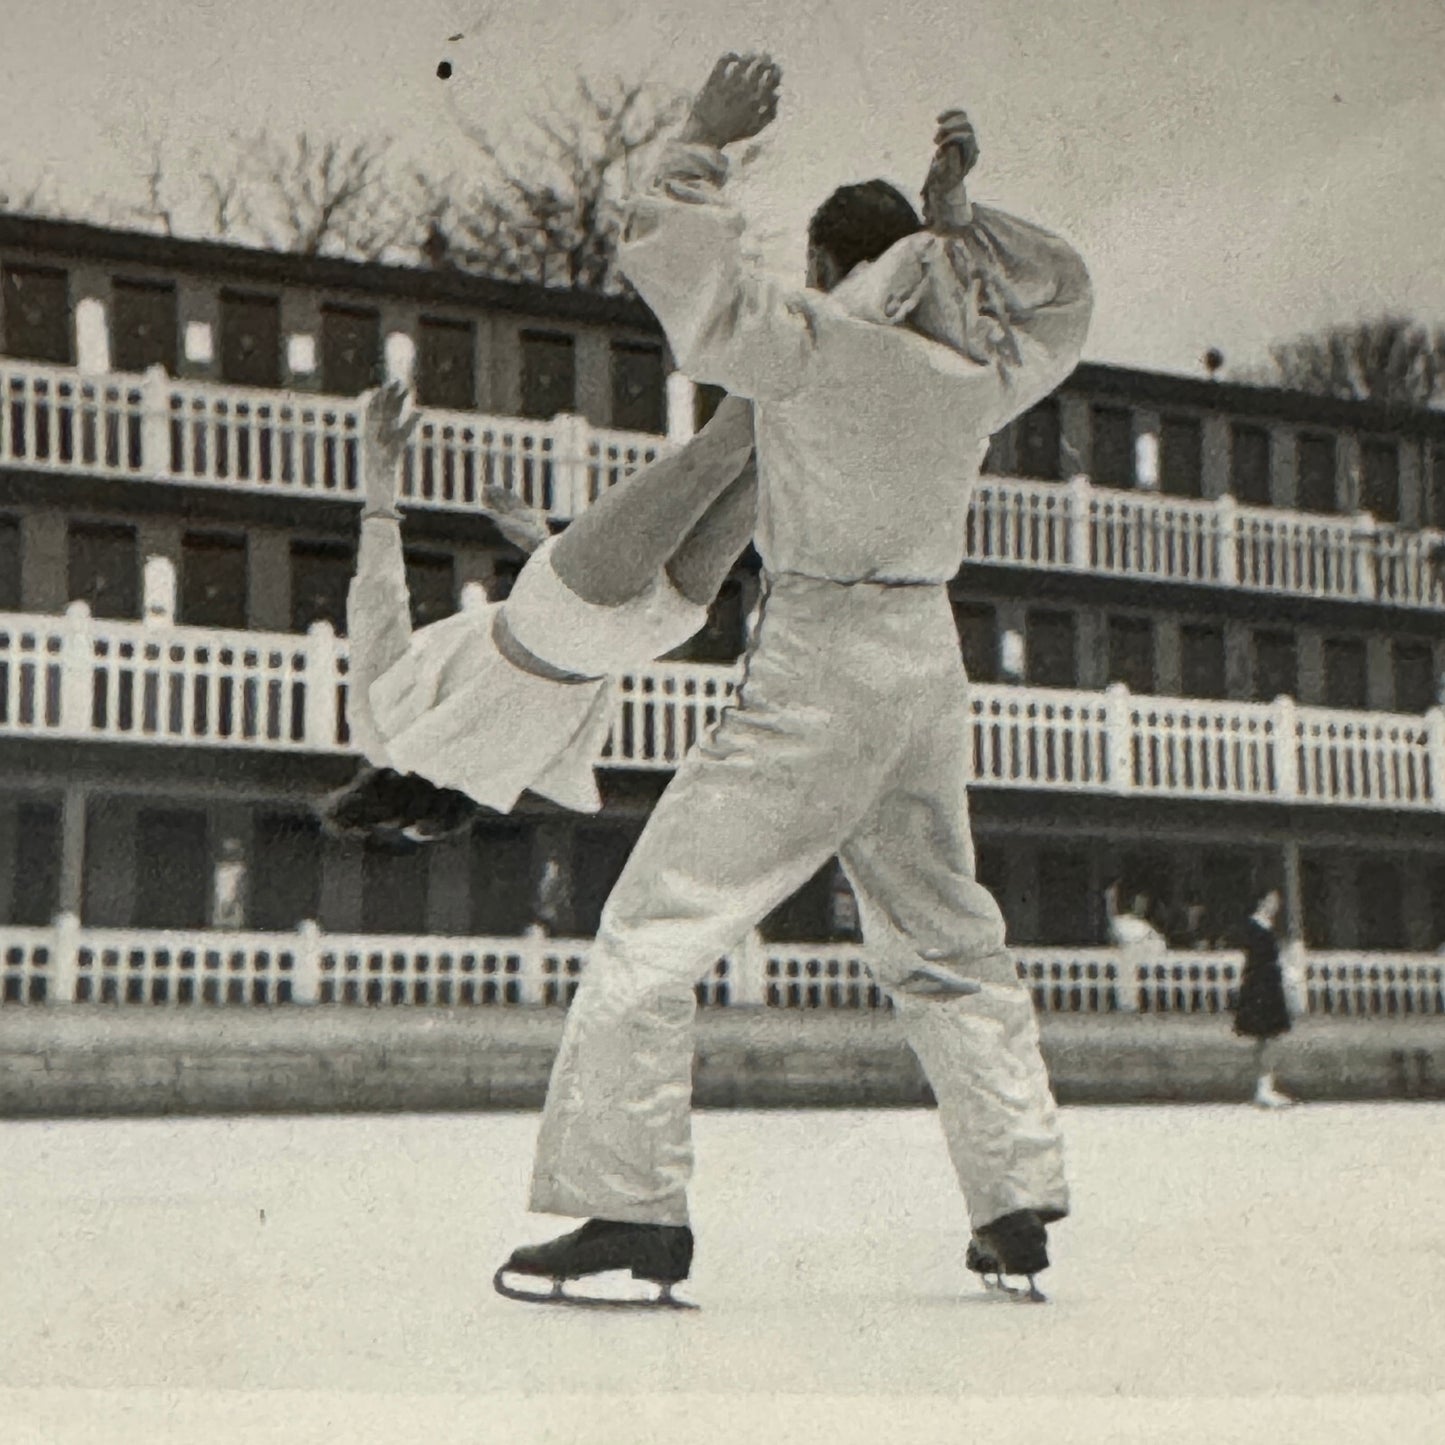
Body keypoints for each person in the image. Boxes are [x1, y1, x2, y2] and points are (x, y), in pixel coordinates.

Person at [498, 53, 1093, 1307]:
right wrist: (965, 226)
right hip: (926, 660)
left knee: (652, 931)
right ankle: (1012, 1191)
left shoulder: (812, 341)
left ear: (826, 267)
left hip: (820, 655)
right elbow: (1061, 301)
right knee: (942, 931)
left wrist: (700, 142)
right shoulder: (978, 370)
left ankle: (629, 1203)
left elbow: (690, 284)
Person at [323, 378, 760, 846]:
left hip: (639, 638)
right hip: (558, 618)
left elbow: (547, 677)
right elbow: (377, 602)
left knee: (772, 467)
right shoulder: (380, 738)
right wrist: (379, 483)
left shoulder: (508, 780)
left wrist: (543, 547)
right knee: (714, 453)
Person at [1233, 888, 1295, 1108]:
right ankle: (1263, 1088)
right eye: (1271, 901)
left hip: (1269, 985)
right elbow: (1256, 958)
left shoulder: (1266, 927)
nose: (1275, 906)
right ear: (1261, 902)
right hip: (1260, 986)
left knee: (1269, 1039)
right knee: (1265, 1037)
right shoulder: (1253, 927)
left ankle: (1266, 1085)